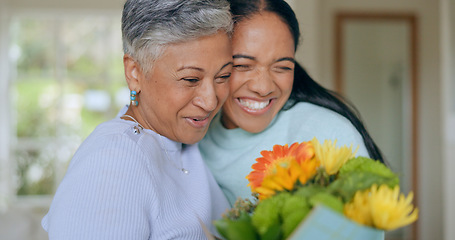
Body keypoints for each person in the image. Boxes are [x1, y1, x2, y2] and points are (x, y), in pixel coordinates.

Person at [42, 0, 233, 239]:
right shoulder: (111, 162)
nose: (211, 101)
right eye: (191, 79)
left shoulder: (186, 140)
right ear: (134, 72)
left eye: (224, 75)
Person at [199, 0, 386, 206]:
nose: (263, 87)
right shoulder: (195, 136)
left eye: (282, 67)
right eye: (242, 65)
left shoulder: (329, 135)